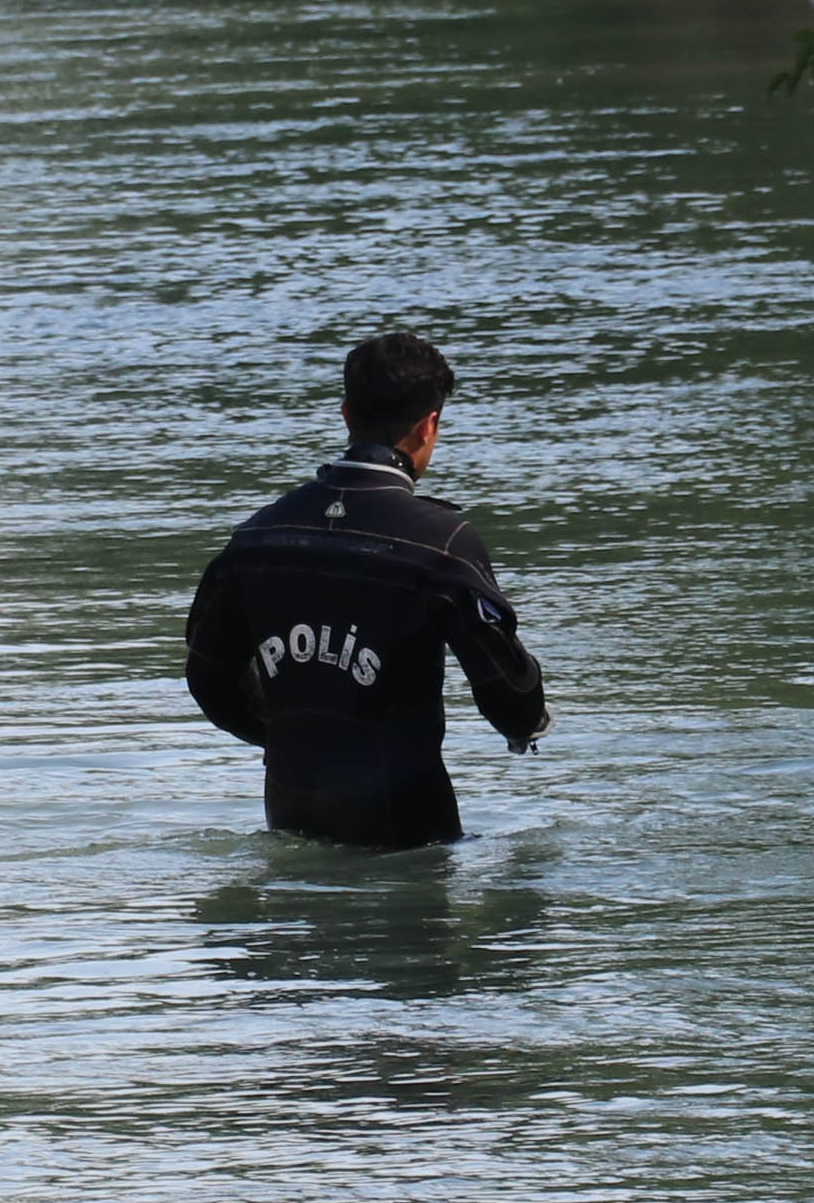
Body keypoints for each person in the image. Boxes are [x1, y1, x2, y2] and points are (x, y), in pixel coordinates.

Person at [183, 331, 549, 847]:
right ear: (429, 426)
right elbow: (506, 693)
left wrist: (286, 735)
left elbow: (208, 678)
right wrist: (529, 723)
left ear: (345, 413)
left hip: (290, 814)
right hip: (408, 833)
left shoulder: (256, 538)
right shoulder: (442, 544)